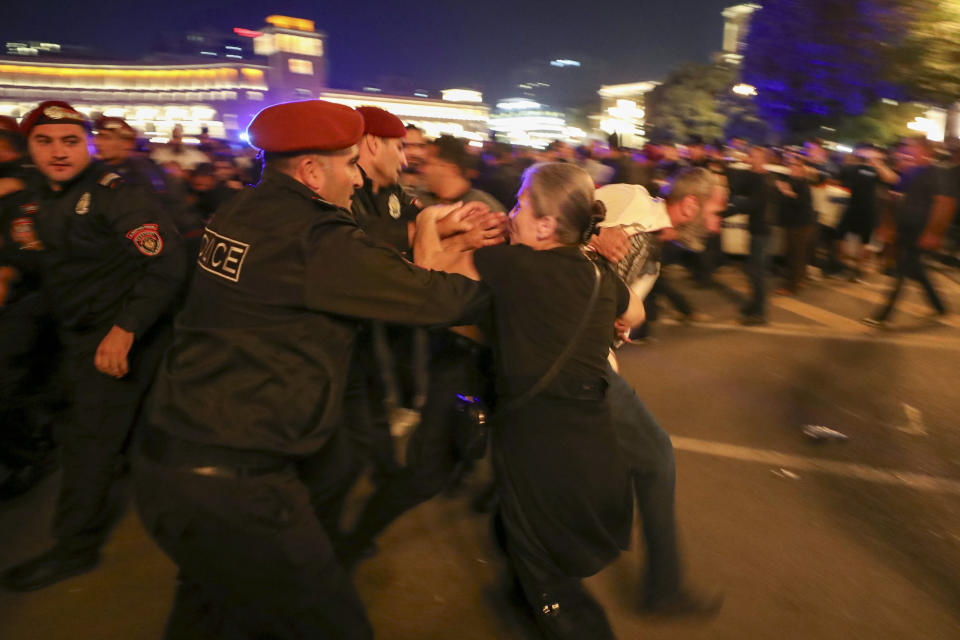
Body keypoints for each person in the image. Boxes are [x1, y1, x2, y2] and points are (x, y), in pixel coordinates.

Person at [131, 99, 490, 639]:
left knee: (208, 613)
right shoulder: (315, 237)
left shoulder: (240, 211)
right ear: (310, 171)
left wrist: (432, 238)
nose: (355, 177)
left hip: (171, 457)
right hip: (237, 485)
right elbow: (436, 300)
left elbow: (372, 271)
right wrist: (533, 287)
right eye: (348, 164)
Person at [416, 162, 646, 639]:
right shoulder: (597, 272)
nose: (513, 213)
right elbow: (636, 312)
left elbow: (425, 281)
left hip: (540, 458)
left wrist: (426, 223)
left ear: (545, 224)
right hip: (594, 453)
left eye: (521, 203)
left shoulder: (511, 267)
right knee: (537, 559)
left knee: (557, 598)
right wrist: (614, 321)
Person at [1, 101, 186, 592]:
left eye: (68, 141)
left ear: (87, 143)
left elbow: (166, 263)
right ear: (30, 149)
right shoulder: (36, 195)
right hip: (73, 333)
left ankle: (74, 549)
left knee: (89, 444)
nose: (58, 152)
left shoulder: (115, 194)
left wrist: (125, 329)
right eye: (45, 141)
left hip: (118, 340)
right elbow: (36, 256)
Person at [592, 173, 725, 617]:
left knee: (611, 460)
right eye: (714, 212)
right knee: (655, 457)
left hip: (590, 359)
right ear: (688, 206)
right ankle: (662, 589)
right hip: (570, 355)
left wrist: (623, 324)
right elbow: (540, 216)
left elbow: (620, 313)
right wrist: (594, 232)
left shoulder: (653, 264)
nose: (716, 224)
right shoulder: (630, 199)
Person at [863, 137, 956, 327]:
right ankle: (940, 307)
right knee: (916, 271)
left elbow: (945, 204)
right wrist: (888, 225)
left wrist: (933, 233)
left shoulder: (937, 173)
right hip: (906, 229)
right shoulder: (912, 171)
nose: (908, 152)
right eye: (908, 149)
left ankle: (882, 315)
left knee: (902, 271)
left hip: (921, 231)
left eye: (913, 148)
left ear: (926, 152)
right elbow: (894, 187)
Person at [727, 145, 777, 325]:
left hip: (763, 231)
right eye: (751, 156)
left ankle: (761, 313)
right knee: (752, 271)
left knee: (759, 273)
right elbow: (735, 186)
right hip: (755, 229)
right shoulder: (754, 176)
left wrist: (725, 213)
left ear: (764, 160)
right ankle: (754, 304)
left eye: (756, 157)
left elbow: (751, 204)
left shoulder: (766, 180)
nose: (752, 159)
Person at [835, 145, 898, 280]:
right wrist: (856, 157)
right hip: (852, 206)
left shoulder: (876, 170)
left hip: (869, 208)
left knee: (865, 240)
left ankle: (858, 269)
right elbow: (840, 173)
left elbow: (893, 179)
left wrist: (877, 163)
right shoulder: (854, 166)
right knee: (840, 234)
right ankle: (843, 265)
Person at [421, 134, 506, 212]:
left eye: (428, 163)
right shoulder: (418, 200)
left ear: (448, 168)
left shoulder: (485, 210)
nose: (422, 170)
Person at [773, 153, 816, 295]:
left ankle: (791, 286)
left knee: (794, 255)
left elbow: (800, 203)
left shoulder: (802, 183)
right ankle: (799, 280)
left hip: (799, 225)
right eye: (790, 164)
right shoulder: (794, 181)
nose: (791, 167)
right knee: (798, 255)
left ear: (801, 168)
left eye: (794, 165)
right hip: (796, 224)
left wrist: (786, 192)